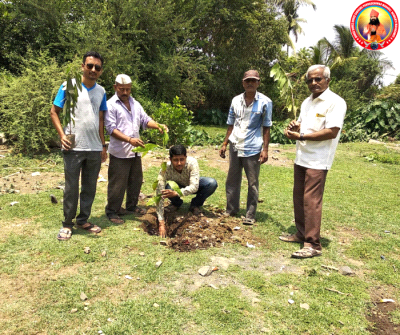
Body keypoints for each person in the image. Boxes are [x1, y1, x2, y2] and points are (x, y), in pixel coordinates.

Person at [280, 64, 347, 258]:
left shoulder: (335, 102)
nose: (314, 83)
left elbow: (332, 132)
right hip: (302, 156)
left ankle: (313, 245)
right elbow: (303, 123)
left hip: (318, 159)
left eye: (318, 79)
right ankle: (301, 234)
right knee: (299, 197)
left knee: (311, 201)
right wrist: (295, 126)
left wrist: (300, 136)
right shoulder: (307, 102)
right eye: (310, 80)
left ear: (328, 80)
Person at [50, 51, 108, 241]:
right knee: (71, 187)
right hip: (73, 147)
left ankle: (83, 220)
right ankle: (67, 224)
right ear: (83, 66)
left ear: (100, 71)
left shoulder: (101, 92)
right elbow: (54, 112)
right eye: (90, 66)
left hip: (94, 147)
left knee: (90, 187)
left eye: (97, 67)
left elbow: (100, 119)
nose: (93, 70)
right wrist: (61, 135)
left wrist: (103, 144)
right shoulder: (69, 85)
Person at [104, 74, 168, 224]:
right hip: (120, 151)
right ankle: (112, 211)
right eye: (122, 89)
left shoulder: (135, 103)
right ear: (115, 88)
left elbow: (146, 120)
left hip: (135, 151)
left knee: (136, 180)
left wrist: (158, 126)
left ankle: (131, 206)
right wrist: (129, 140)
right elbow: (111, 129)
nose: (125, 92)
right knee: (117, 183)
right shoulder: (111, 104)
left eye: (127, 89)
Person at [219, 70, 272, 225]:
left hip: (253, 148)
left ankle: (250, 214)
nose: (250, 83)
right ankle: (231, 209)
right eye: (247, 80)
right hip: (235, 145)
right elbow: (231, 123)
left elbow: (267, 127)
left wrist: (265, 149)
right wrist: (224, 143)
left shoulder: (265, 102)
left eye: (253, 80)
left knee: (252, 182)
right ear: (243, 82)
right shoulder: (235, 100)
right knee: (232, 179)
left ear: (258, 83)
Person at [156, 145, 218, 238]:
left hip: (191, 184)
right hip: (176, 186)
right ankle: (176, 204)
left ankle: (195, 205)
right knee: (167, 188)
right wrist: (161, 222)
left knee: (211, 183)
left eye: (182, 159)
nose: (179, 163)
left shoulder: (192, 163)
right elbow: (159, 193)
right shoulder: (165, 169)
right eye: (175, 160)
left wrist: (177, 193)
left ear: (186, 157)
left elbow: (194, 186)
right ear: (170, 159)